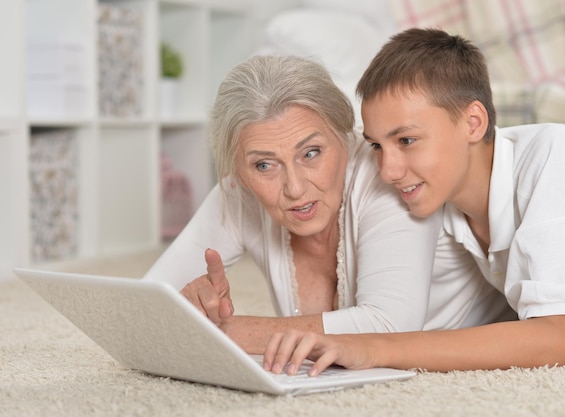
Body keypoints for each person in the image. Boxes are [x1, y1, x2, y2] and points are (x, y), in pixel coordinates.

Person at [262, 28, 565, 376]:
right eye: (376, 146)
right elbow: (428, 327)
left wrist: (374, 349)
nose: (387, 171)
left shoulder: (553, 153)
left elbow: (556, 340)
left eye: (405, 140)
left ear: (472, 122)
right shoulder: (441, 201)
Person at [142, 55, 512, 354]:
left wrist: (224, 332)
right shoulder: (239, 193)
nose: (295, 187)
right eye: (264, 165)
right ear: (237, 170)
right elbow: (144, 305)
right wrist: (189, 303)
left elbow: (388, 325)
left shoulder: (387, 174)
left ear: (346, 137)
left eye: (312, 152)